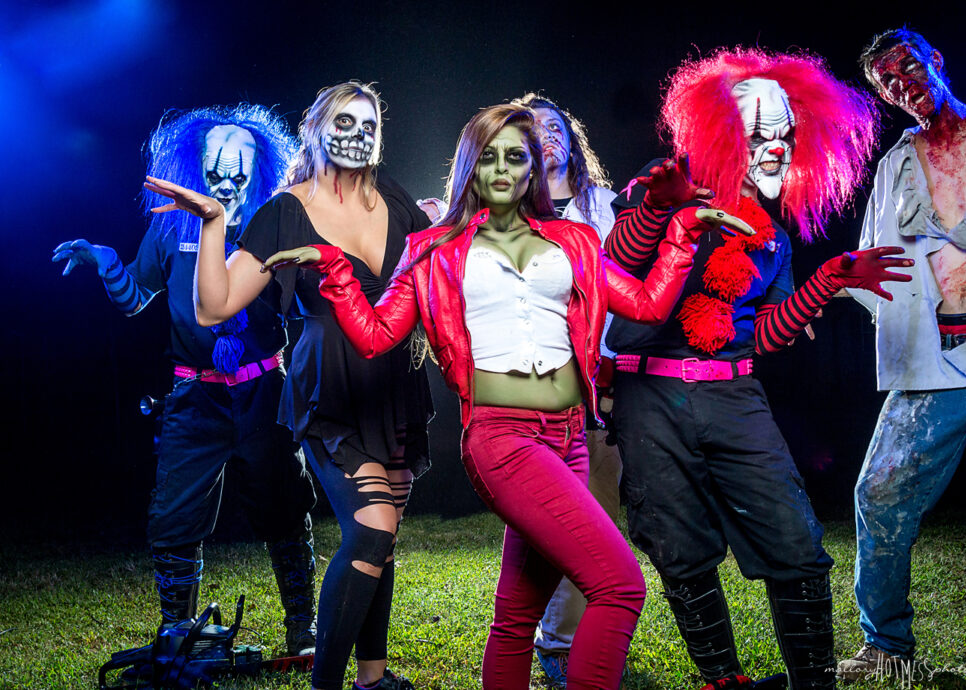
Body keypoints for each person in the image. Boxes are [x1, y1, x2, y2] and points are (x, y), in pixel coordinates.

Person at [214, 102, 729, 689]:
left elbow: (647, 304)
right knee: (619, 586)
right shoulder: (434, 249)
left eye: (518, 156)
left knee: (516, 616)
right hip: (504, 439)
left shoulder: (575, 239)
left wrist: (681, 235)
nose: (504, 169)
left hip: (569, 440)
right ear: (471, 168)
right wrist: (338, 272)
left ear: (534, 168)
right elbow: (376, 336)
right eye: (490, 157)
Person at [604, 48, 911, 690]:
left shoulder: (773, 236)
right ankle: (725, 682)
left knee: (796, 544)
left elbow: (763, 335)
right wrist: (660, 208)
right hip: (649, 397)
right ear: (719, 134)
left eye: (785, 135)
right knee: (680, 551)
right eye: (759, 134)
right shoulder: (665, 186)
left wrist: (827, 281)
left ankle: (813, 685)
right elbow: (618, 265)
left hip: (733, 396)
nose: (776, 148)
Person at [150, 82, 433, 690]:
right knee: (371, 527)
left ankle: (372, 677)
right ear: (314, 129)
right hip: (330, 389)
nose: (357, 135)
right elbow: (213, 306)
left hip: (394, 390)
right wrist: (214, 222)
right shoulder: (284, 212)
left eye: (368, 125)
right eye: (342, 122)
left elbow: (425, 279)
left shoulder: (395, 198)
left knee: (381, 539)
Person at [51, 105, 318, 655]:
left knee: (286, 508)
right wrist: (107, 263)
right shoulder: (171, 227)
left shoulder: (273, 227)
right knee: (174, 516)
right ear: (196, 167)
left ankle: (303, 629)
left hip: (263, 393)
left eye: (238, 174)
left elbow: (307, 306)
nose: (225, 184)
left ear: (259, 171)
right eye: (215, 171)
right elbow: (135, 299)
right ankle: (178, 634)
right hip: (195, 396)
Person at [836, 29, 966, 681]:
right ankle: (886, 647)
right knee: (879, 491)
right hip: (932, 362)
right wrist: (838, 288)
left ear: (935, 60)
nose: (901, 84)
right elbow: (876, 267)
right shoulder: (895, 168)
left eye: (907, 67)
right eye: (887, 82)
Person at [508, 93, 620, 687]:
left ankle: (571, 638)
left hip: (603, 385)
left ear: (572, 140)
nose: (546, 134)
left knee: (599, 513)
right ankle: (549, 641)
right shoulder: (508, 206)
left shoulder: (605, 206)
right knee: (548, 520)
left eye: (556, 126)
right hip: (535, 386)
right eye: (533, 128)